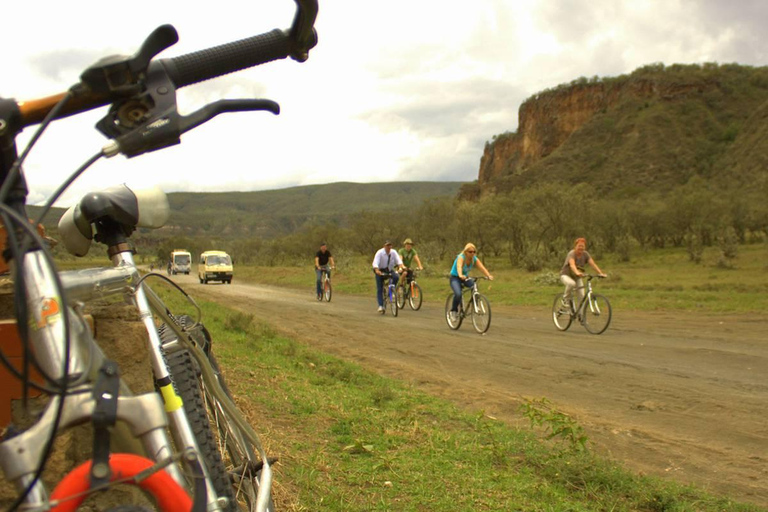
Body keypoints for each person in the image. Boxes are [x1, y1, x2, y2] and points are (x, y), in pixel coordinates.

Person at [448, 243, 493, 322]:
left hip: (464, 278)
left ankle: (475, 305)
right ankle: (453, 311)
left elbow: (481, 267)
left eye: (474, 252)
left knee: (474, 286)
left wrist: (488, 275)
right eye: (470, 252)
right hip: (455, 278)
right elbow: (459, 266)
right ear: (465, 252)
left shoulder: (474, 259)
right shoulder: (461, 257)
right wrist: (460, 274)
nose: (472, 253)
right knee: (458, 294)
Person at [560, 237, 606, 308]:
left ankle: (580, 316)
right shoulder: (572, 253)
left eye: (583, 246)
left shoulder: (585, 254)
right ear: (575, 246)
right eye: (579, 246)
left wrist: (600, 273)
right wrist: (577, 272)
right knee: (571, 283)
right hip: (566, 275)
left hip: (577, 277)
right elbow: (572, 265)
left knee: (582, 296)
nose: (581, 248)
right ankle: (565, 299)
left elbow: (593, 264)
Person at [372, 240, 405, 312]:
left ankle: (391, 289)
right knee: (379, 288)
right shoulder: (380, 252)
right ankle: (381, 305)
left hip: (389, 270)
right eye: (387, 246)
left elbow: (399, 262)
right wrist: (377, 270)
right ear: (384, 246)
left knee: (396, 276)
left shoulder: (393, 252)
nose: (389, 247)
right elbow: (375, 263)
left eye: (390, 246)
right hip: (380, 270)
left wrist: (400, 267)